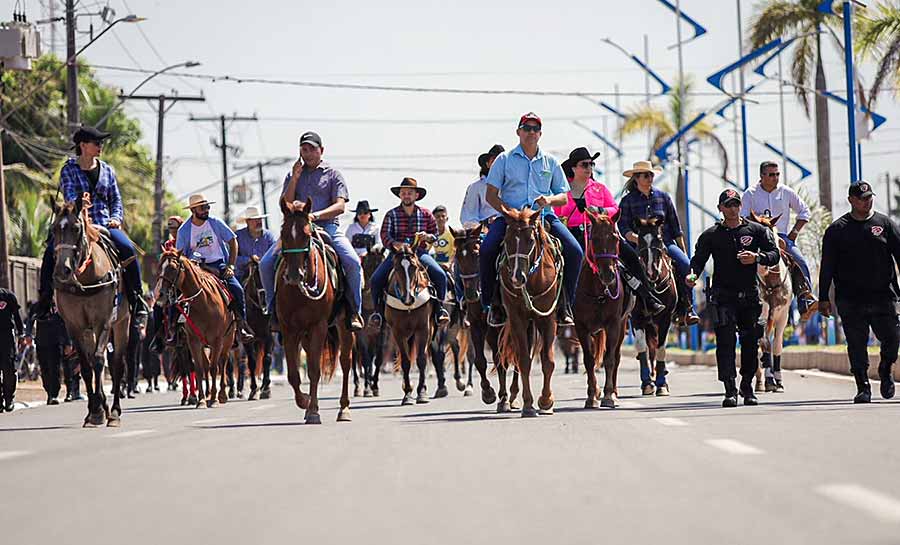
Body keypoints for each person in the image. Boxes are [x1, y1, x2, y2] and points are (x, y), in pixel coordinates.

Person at [36, 126, 148, 322]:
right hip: (75, 224)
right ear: (83, 146)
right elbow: (70, 195)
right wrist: (78, 205)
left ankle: (137, 299)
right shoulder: (68, 169)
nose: (100, 146)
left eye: (101, 143)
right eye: (96, 143)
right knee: (49, 253)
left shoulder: (108, 171)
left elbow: (116, 200)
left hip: (105, 224)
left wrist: (115, 218)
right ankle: (45, 301)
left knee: (127, 248)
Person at [480, 112, 582, 327]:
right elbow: (491, 195)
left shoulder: (550, 161)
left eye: (535, 129)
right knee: (487, 249)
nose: (531, 132)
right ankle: (492, 304)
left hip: (543, 217)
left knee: (575, 251)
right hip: (511, 220)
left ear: (540, 134)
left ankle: (566, 305)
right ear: (518, 132)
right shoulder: (504, 159)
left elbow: (564, 197)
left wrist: (549, 199)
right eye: (527, 128)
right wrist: (508, 212)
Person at [259, 131, 364, 331]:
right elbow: (287, 203)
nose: (307, 154)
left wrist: (315, 216)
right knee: (265, 264)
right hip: (297, 230)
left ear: (321, 150)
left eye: (311, 149)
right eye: (303, 150)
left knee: (351, 262)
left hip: (328, 227)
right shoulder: (293, 174)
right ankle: (273, 311)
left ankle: (354, 311)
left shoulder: (333, 175)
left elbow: (340, 206)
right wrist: (295, 178)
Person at [687, 189, 779, 407]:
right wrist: (692, 275)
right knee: (726, 344)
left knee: (749, 343)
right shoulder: (711, 234)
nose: (733, 208)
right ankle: (729, 388)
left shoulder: (756, 230)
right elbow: (698, 260)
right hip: (723, 298)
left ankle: (747, 386)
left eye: (736, 204)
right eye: (728, 204)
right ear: (720, 208)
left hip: (749, 297)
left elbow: (774, 253)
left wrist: (757, 257)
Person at [555, 147, 665, 315]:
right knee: (562, 263)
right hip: (574, 234)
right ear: (573, 168)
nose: (588, 168)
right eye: (584, 164)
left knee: (631, 256)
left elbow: (614, 208)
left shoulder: (599, 188)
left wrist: (600, 210)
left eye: (591, 164)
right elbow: (557, 213)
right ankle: (562, 305)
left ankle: (647, 298)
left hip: (602, 233)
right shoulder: (563, 191)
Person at [818, 181, 900, 403]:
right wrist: (823, 298)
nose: (867, 201)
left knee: (892, 338)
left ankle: (885, 369)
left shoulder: (885, 224)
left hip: (884, 295)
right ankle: (863, 385)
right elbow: (827, 267)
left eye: (869, 197)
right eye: (862, 198)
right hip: (850, 298)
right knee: (856, 343)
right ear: (851, 200)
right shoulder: (837, 230)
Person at [617, 160, 700, 326]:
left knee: (686, 266)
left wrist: (682, 250)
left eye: (651, 175)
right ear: (636, 178)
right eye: (646, 175)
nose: (650, 178)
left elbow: (676, 227)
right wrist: (638, 239)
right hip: (637, 246)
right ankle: (623, 310)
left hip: (665, 243)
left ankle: (687, 308)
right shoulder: (627, 201)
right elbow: (623, 227)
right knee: (621, 271)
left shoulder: (664, 198)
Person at [367, 177, 451, 328]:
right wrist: (394, 244)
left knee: (440, 275)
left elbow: (435, 233)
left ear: (416, 195)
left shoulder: (426, 214)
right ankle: (378, 313)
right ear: (400, 195)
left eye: (409, 193)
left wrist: (428, 237)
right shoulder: (391, 214)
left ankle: (439, 309)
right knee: (375, 279)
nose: (406, 195)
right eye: (404, 193)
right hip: (396, 255)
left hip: (419, 253)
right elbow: (385, 235)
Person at [174, 194, 255, 343]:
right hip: (195, 268)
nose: (206, 210)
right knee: (174, 293)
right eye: (202, 208)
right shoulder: (184, 231)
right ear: (193, 210)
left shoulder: (215, 223)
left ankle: (241, 326)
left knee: (237, 289)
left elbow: (233, 241)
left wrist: (231, 265)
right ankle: (175, 330)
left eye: (207, 207)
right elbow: (180, 255)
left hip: (218, 265)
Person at [741, 161, 817, 318]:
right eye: (771, 174)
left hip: (781, 237)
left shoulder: (786, 192)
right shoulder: (750, 194)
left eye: (777, 174)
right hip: (757, 240)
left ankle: (805, 300)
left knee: (800, 261)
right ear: (762, 176)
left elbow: (804, 212)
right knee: (739, 262)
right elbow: (742, 218)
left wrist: (793, 234)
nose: (775, 178)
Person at [460, 144, 504, 227]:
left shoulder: (513, 186)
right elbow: (469, 216)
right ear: (487, 164)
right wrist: (485, 224)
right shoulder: (475, 187)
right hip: (486, 228)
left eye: (501, 162)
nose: (497, 165)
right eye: (494, 161)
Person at [234, 206, 276, 283]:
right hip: (242, 275)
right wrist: (249, 259)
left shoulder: (269, 236)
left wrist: (263, 261)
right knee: (236, 290)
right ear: (247, 222)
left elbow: (275, 255)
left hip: (266, 274)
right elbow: (232, 258)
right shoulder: (238, 236)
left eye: (260, 219)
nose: (259, 222)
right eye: (255, 220)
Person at [0, 288, 24, 412]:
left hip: (6, 336)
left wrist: (21, 334)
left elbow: (16, 315)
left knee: (8, 368)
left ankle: (9, 398)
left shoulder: (7, 296)